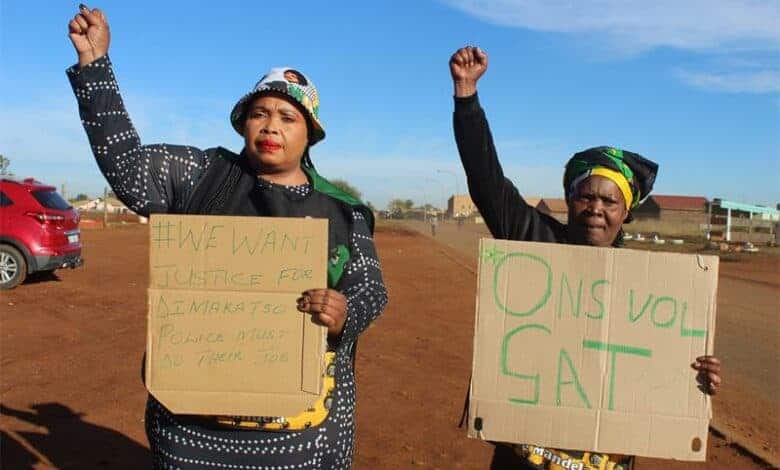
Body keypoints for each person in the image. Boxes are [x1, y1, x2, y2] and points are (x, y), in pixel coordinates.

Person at [67, 6, 388, 468]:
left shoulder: (342, 209)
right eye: (260, 113)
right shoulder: (201, 175)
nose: (272, 125)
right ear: (243, 123)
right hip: (193, 433)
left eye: (288, 117)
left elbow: (370, 288)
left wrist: (344, 311)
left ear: (310, 134)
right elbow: (129, 171)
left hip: (300, 438)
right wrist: (95, 65)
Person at [449, 46, 722, 470]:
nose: (597, 208)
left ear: (626, 212)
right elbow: (484, 178)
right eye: (586, 195)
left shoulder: (646, 287)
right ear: (570, 200)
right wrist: (466, 94)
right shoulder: (533, 237)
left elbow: (663, 370)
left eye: (610, 201)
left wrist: (696, 375)